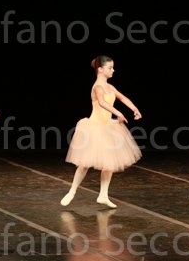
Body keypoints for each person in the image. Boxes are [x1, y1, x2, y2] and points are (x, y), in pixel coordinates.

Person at [60, 55, 142, 209]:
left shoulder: (110, 87)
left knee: (109, 163)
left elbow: (123, 98)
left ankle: (103, 195)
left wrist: (134, 109)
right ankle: (72, 191)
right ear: (100, 69)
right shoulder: (97, 87)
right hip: (93, 128)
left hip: (108, 128)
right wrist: (118, 113)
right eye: (110, 68)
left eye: (113, 67)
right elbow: (103, 103)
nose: (113, 70)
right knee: (84, 164)